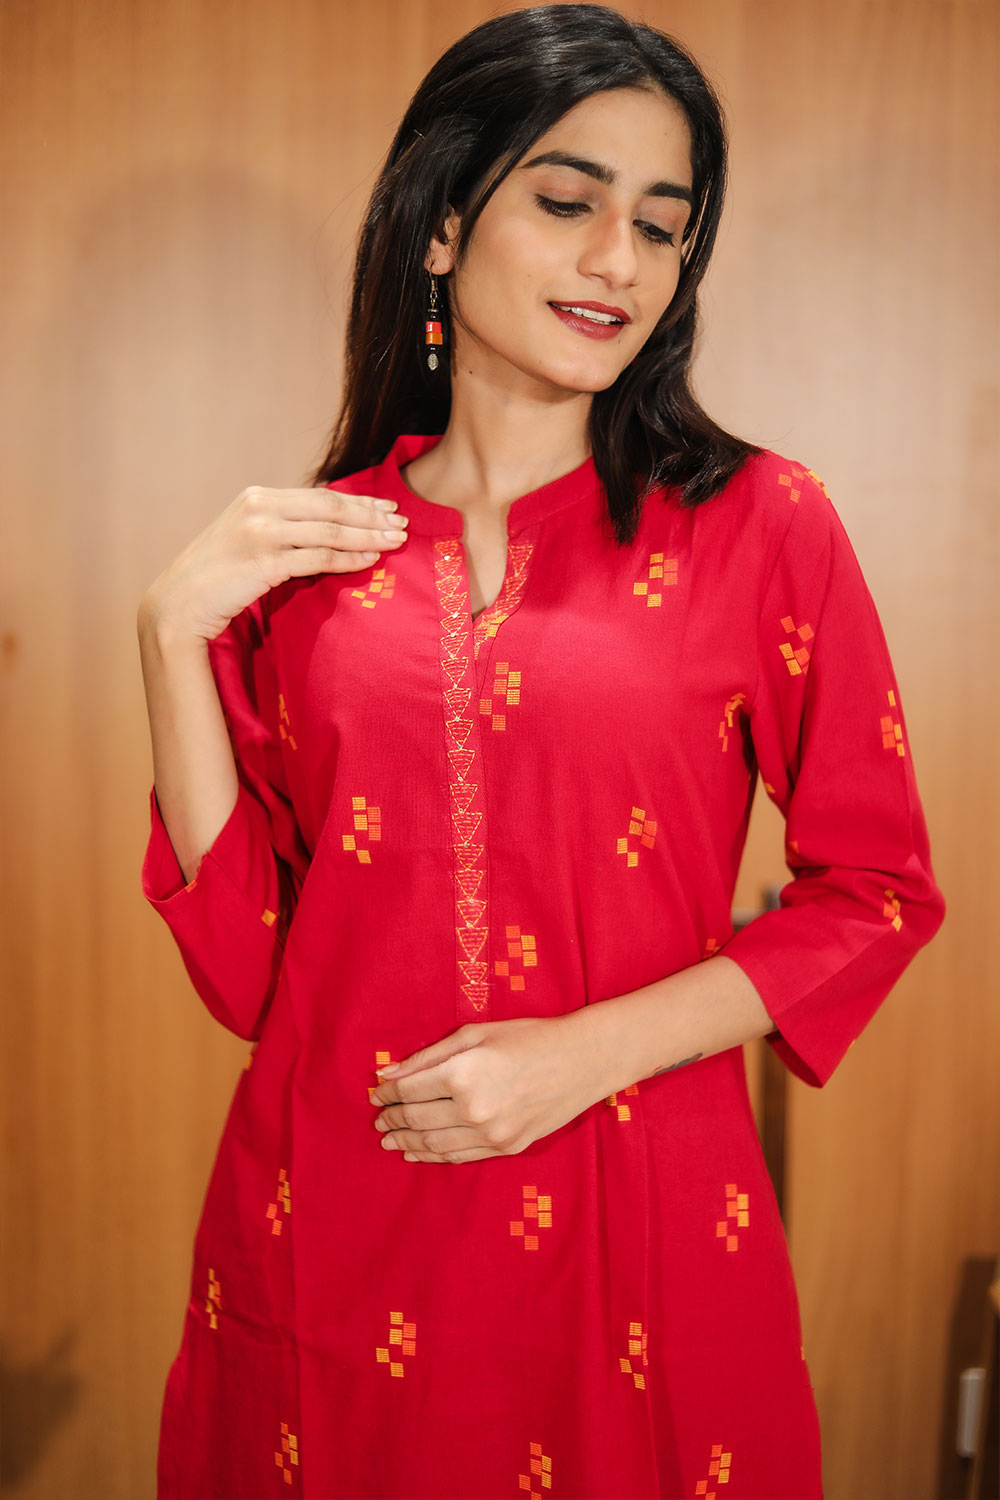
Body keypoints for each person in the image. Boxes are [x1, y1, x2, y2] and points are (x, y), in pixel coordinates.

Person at [136, 6, 945, 1498]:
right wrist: (170, 641)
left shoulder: (759, 525)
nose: (619, 262)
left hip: (638, 1210)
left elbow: (878, 892)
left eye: (663, 226)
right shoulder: (313, 557)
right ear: (443, 226)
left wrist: (582, 1057)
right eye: (568, 203)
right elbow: (253, 979)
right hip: (341, 1224)